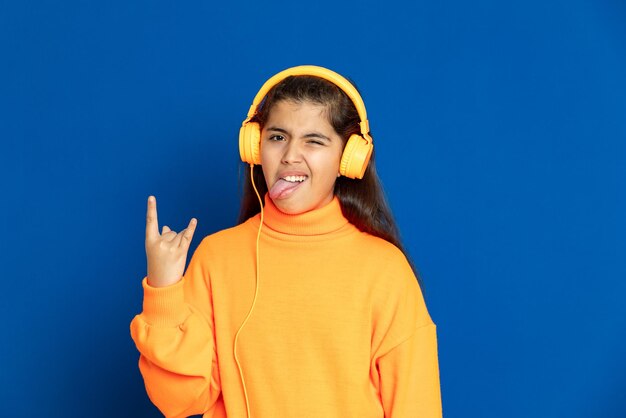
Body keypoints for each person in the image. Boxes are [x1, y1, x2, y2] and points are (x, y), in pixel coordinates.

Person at [130, 65, 442, 418]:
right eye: (277, 137)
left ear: (350, 159)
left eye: (314, 140)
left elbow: (417, 407)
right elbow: (180, 400)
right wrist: (163, 290)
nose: (291, 155)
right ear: (254, 147)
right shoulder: (217, 258)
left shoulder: (385, 270)